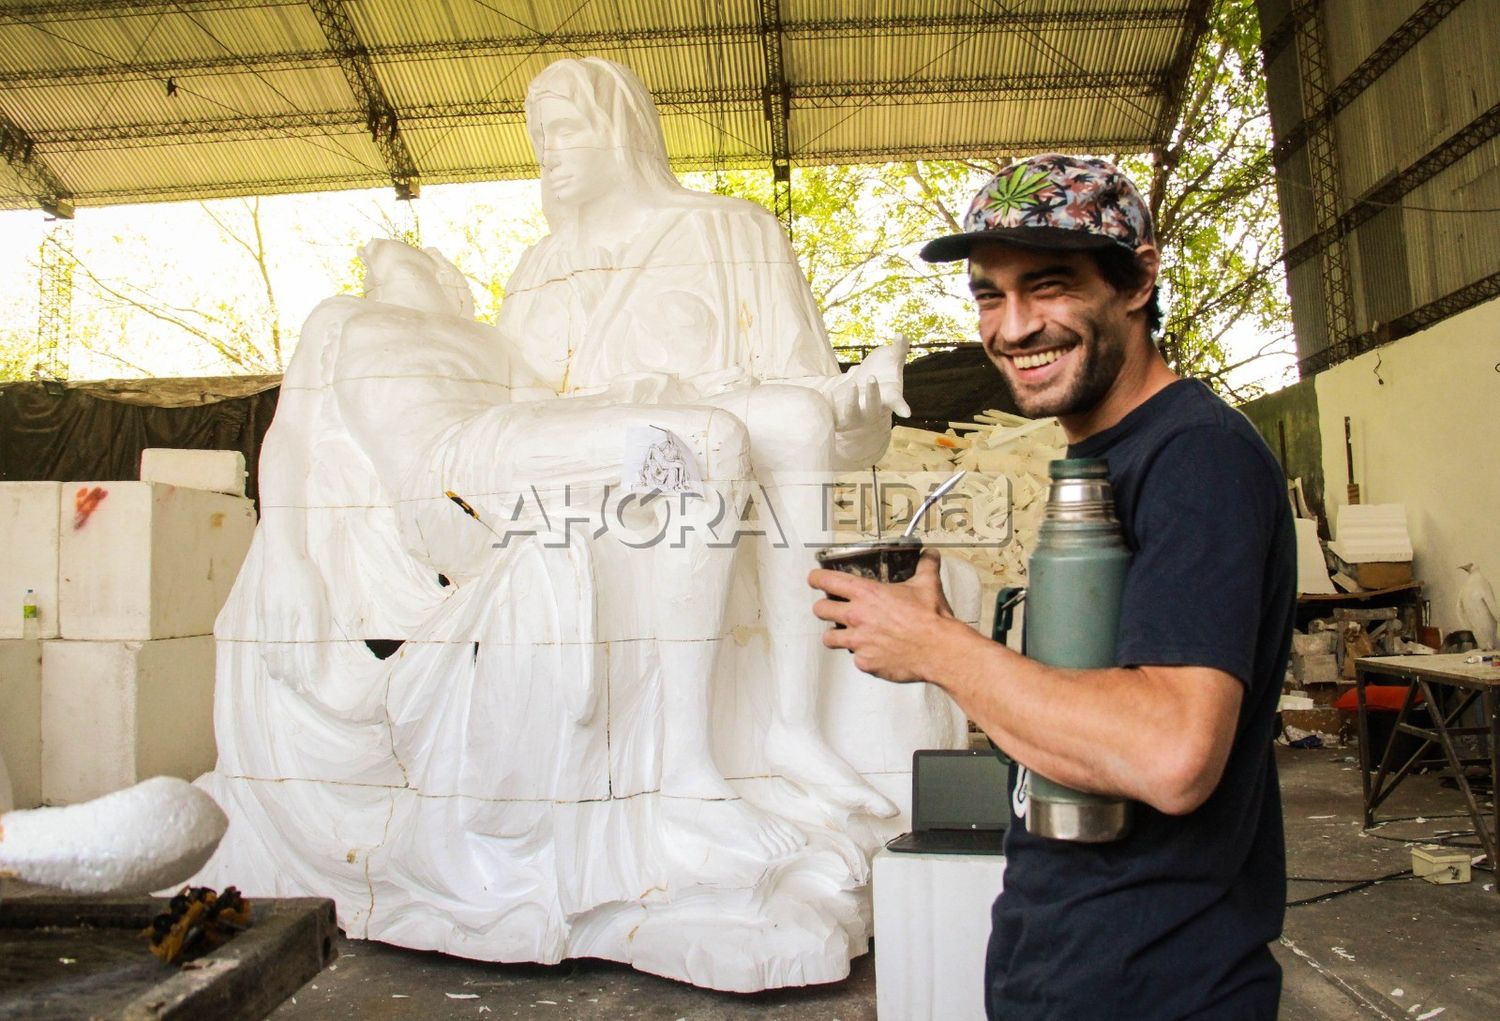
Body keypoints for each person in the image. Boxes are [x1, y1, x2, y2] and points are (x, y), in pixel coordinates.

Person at [809, 154, 1296, 1020]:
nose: (1014, 326)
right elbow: (1089, 706)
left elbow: (1171, 755)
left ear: (1138, 278)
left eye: (1049, 286)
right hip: (1071, 966)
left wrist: (941, 650)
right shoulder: (1103, 458)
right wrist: (944, 640)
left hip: (1160, 986)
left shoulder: (1196, 457)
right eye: (990, 295)